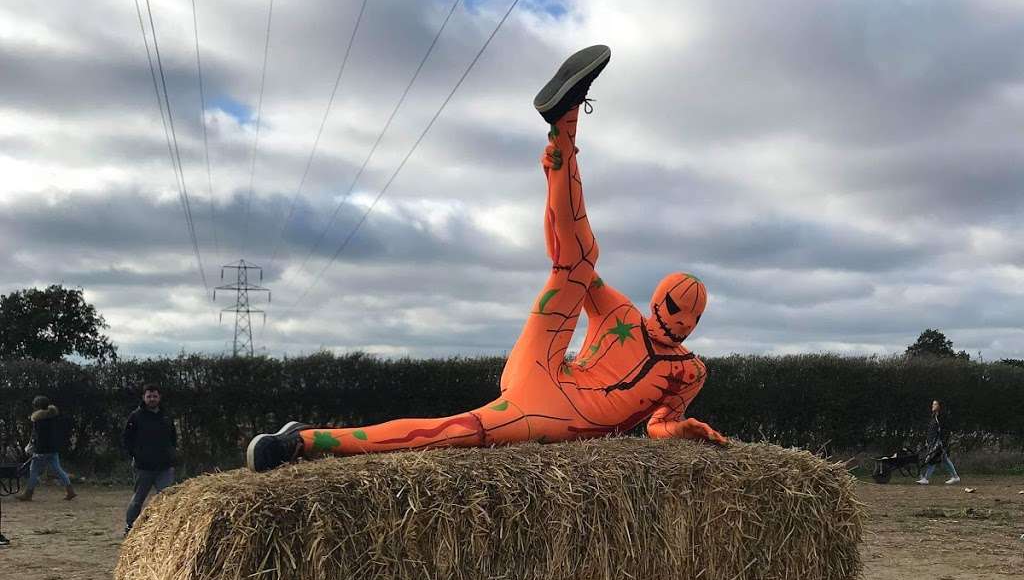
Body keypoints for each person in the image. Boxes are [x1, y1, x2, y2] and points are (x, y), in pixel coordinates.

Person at [247, 45, 726, 474]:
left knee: (453, 433)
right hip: (545, 375)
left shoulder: (689, 371)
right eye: (674, 309)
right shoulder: (619, 312)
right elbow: (567, 261)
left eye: (693, 318)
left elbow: (659, 424)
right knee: (579, 266)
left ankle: (302, 441)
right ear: (656, 301)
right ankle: (565, 128)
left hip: (553, 417)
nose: (682, 324)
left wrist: (683, 433)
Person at [123, 384, 177, 532]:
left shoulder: (167, 417)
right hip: (143, 467)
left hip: (164, 467)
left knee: (167, 498)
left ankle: (164, 528)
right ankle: (130, 526)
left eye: (154, 396)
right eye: (149, 396)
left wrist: (172, 455)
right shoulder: (135, 416)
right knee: (138, 499)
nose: (152, 399)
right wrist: (135, 455)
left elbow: (173, 438)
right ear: (144, 398)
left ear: (159, 397)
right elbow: (127, 439)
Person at [16, 396, 75, 502]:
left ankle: (28, 494)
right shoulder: (53, 417)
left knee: (33, 471)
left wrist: (34, 449)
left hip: (41, 450)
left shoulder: (38, 421)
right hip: (53, 448)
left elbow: (36, 437)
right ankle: (70, 491)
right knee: (58, 470)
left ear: (37, 406)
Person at [916, 399, 959, 485]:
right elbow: (931, 430)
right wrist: (928, 441)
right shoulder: (934, 416)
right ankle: (955, 477)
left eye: (935, 404)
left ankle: (926, 478)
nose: (933, 406)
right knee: (944, 459)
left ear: (939, 406)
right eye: (933, 404)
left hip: (939, 443)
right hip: (933, 442)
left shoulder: (941, 417)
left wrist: (941, 442)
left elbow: (943, 431)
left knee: (933, 459)